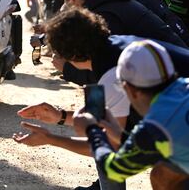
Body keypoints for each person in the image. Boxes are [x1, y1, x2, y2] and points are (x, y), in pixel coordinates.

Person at [14, 7, 189, 190]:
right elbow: (100, 119)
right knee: (162, 174)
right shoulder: (114, 49)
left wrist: (53, 138)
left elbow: (113, 163)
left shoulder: (117, 81)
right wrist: (60, 116)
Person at [74, 40, 189, 189]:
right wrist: (119, 133)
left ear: (130, 89)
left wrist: (92, 131)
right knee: (163, 173)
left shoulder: (156, 126)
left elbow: (112, 170)